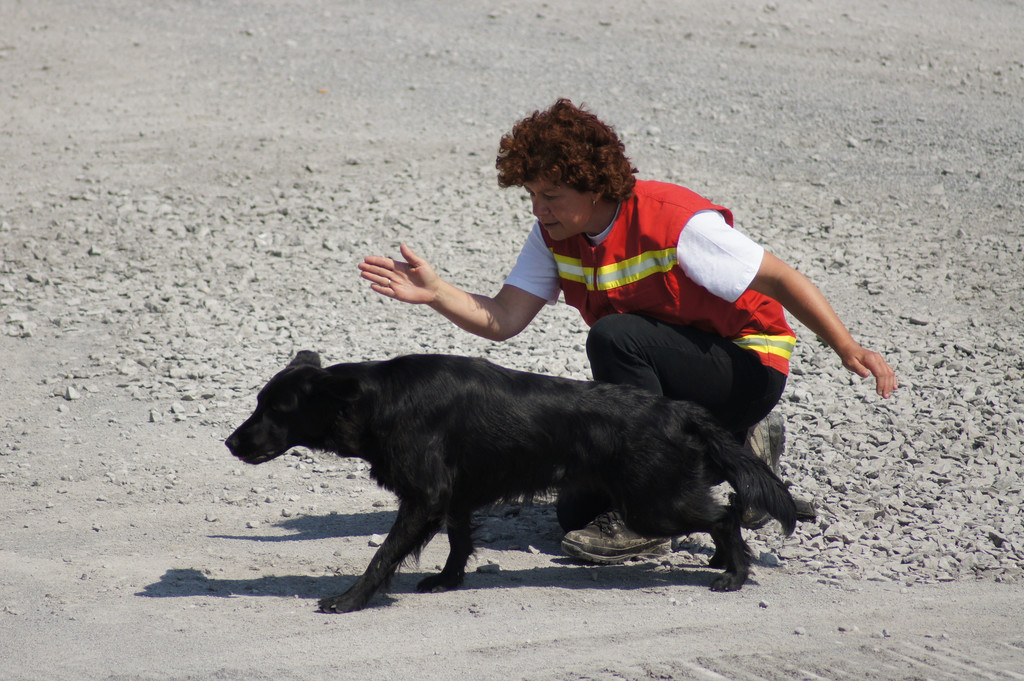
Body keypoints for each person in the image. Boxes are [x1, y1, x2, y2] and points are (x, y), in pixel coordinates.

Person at [359, 98, 897, 564]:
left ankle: (659, 502)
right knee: (574, 512)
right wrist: (437, 292)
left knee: (615, 338)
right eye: (531, 194)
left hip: (746, 366)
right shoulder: (553, 233)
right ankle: (739, 448)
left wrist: (846, 346)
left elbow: (781, 279)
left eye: (552, 195)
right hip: (674, 374)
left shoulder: (675, 219)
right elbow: (503, 319)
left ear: (595, 187)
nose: (538, 209)